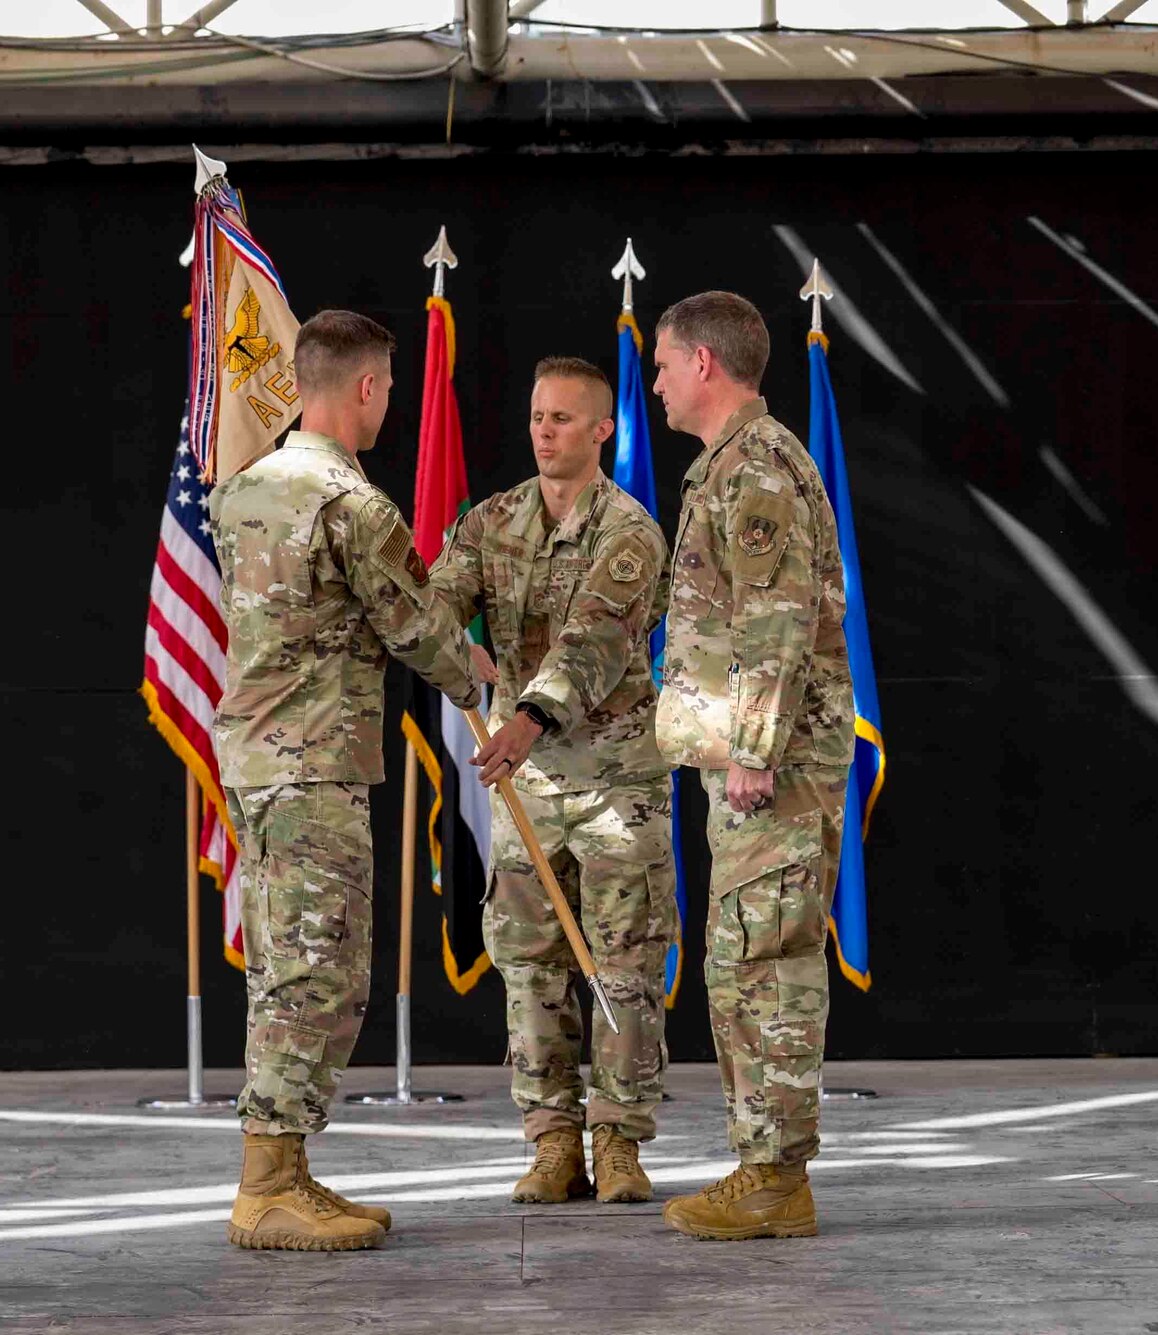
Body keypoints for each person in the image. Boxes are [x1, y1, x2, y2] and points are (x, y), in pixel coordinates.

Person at [209, 309, 482, 1252]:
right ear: (365, 386)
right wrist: (478, 673)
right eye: (390, 387)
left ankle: (287, 1170)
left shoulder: (242, 491)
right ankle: (264, 1186)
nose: (391, 402)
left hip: (255, 757)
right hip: (314, 761)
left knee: (291, 966)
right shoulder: (351, 506)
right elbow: (416, 626)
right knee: (315, 975)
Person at [427, 356, 676, 1207]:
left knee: (625, 968)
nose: (544, 430)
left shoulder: (631, 530)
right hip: (525, 790)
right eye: (537, 415)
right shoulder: (491, 520)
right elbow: (439, 599)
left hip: (614, 786)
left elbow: (596, 642)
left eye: (564, 418)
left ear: (603, 429)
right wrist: (450, 644)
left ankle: (621, 1142)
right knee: (530, 966)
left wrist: (526, 718)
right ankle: (552, 1143)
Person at [648, 291, 854, 1241]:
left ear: (704, 365)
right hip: (746, 761)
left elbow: (774, 623)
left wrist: (756, 751)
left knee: (766, 962)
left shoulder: (757, 471)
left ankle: (775, 1175)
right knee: (742, 961)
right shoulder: (728, 470)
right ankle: (761, 1164)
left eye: (661, 362)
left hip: (768, 766)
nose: (652, 380)